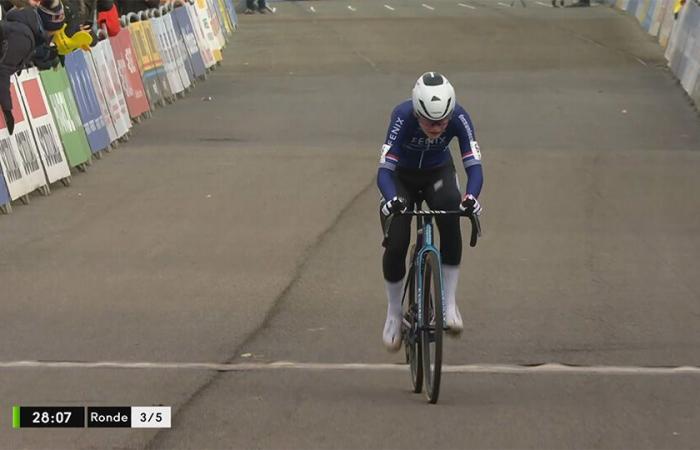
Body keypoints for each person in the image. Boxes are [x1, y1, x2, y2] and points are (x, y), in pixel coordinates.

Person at [378, 72, 484, 352]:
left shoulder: (460, 117)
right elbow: (384, 172)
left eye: (442, 122)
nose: (437, 128)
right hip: (402, 179)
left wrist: (471, 197)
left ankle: (448, 303)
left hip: (438, 173)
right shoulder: (401, 117)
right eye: (429, 122)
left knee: (451, 214)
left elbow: (474, 166)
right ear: (416, 111)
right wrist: (391, 201)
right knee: (398, 241)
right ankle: (393, 313)